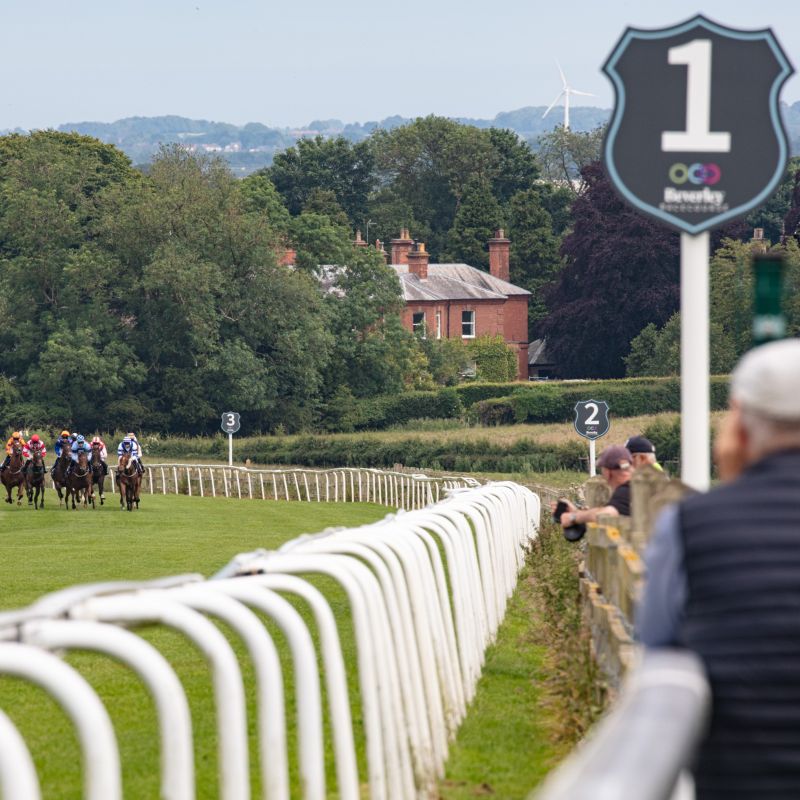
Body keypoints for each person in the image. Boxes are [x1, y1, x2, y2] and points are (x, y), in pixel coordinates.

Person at [637, 339, 800, 798]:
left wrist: (736, 488)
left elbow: (654, 637)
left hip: (741, 779)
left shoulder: (690, 523)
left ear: (741, 429)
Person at [552, 444, 634, 530]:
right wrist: (577, 512)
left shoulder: (626, 489)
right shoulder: (639, 484)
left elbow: (607, 514)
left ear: (607, 472)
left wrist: (573, 517)